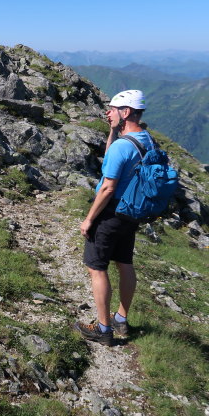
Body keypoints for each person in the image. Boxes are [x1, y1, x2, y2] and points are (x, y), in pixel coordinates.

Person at [74, 89, 153, 346]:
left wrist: (89, 219)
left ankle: (103, 329)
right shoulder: (145, 139)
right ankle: (120, 318)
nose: (107, 112)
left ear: (126, 111)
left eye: (113, 109)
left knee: (97, 268)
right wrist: (112, 131)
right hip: (130, 212)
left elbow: (108, 186)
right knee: (124, 263)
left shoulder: (123, 146)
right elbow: (112, 158)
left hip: (110, 213)